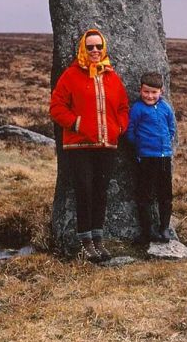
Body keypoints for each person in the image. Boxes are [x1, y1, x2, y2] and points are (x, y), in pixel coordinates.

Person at [50, 28, 129, 262]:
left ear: (103, 48)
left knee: (100, 193)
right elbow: (56, 107)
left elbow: (123, 107)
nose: (94, 51)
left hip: (106, 145)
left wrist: (119, 128)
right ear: (82, 49)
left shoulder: (111, 76)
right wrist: (75, 123)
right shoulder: (71, 75)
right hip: (79, 146)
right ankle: (85, 243)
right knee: (84, 192)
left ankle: (98, 240)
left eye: (98, 46)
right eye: (90, 47)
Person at [127, 71, 176, 244]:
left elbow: (171, 128)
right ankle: (147, 231)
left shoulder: (165, 108)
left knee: (165, 194)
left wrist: (165, 145)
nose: (150, 96)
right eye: (146, 92)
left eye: (154, 92)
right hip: (145, 158)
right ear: (140, 90)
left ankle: (164, 228)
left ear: (161, 92)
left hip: (163, 157)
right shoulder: (137, 109)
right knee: (145, 195)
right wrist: (140, 146)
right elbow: (130, 131)